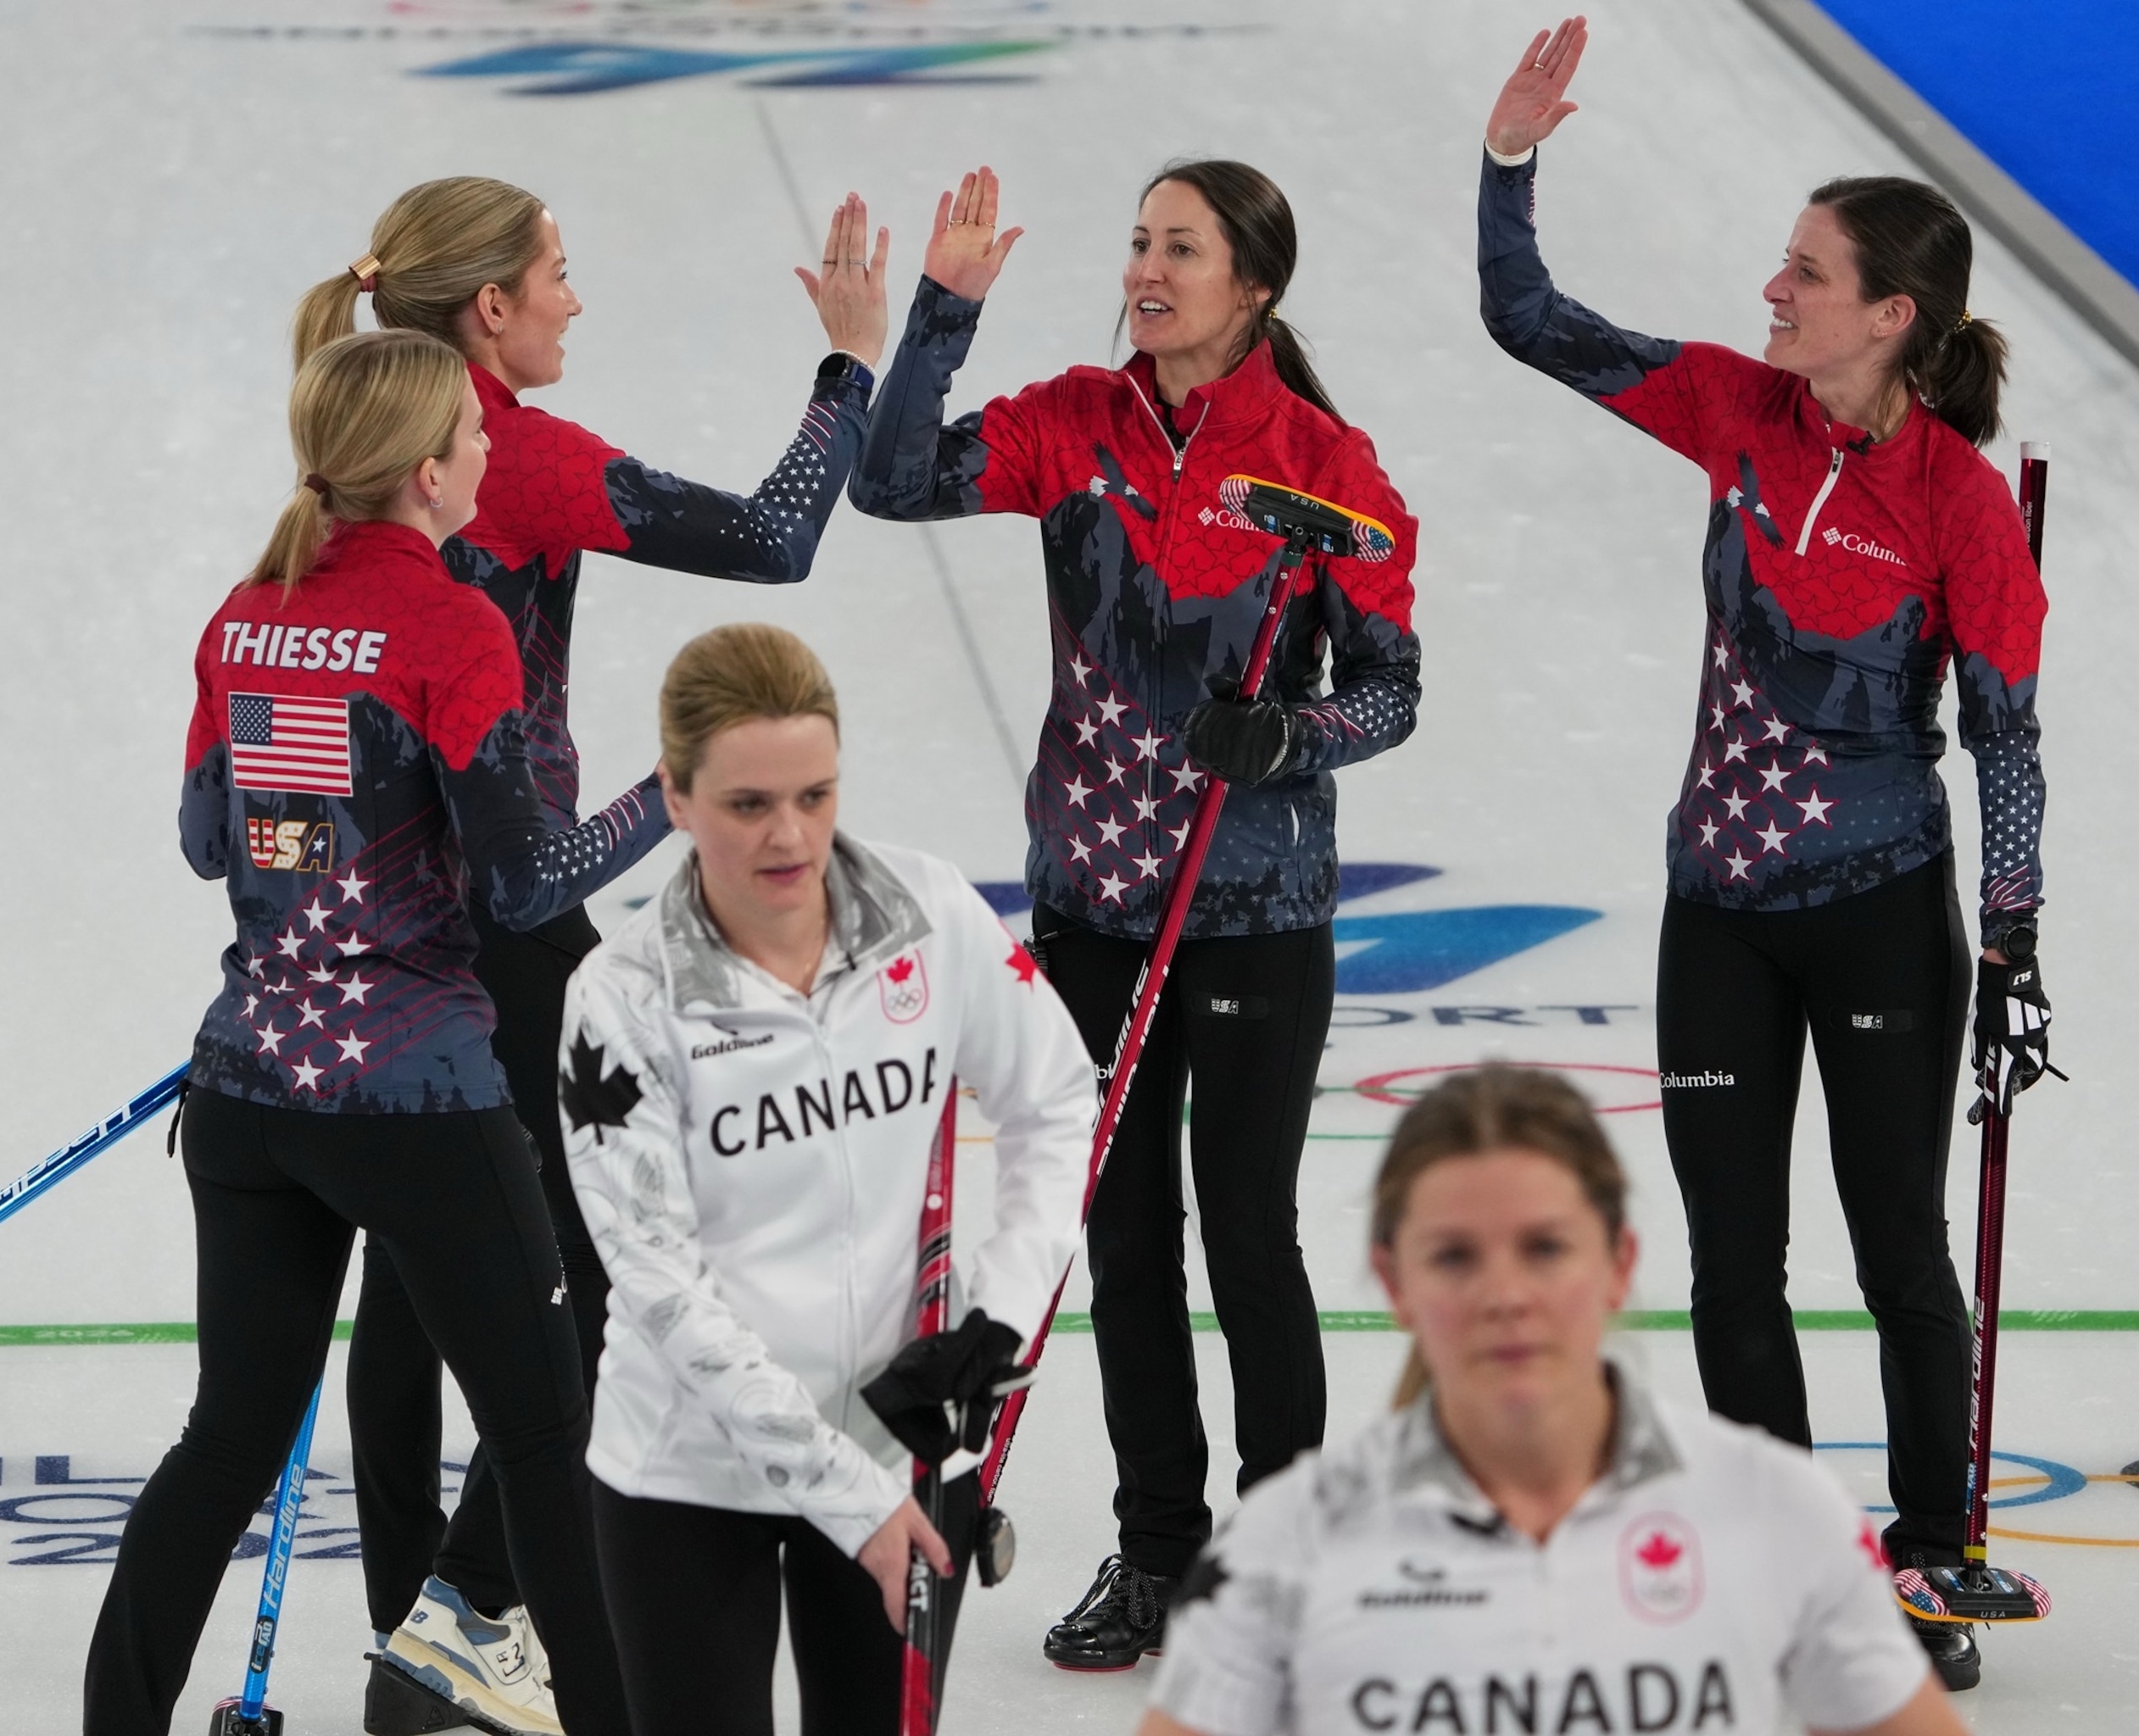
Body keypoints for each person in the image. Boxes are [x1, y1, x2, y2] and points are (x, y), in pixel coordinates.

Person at [1475, 17, 2054, 1692]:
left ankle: (1933, 1554)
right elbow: (1531, 322)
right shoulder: (1738, 411)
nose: (1769, 291)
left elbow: (2006, 734)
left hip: (1883, 917)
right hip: (1715, 910)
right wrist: (1512, 161)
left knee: (1894, 1251)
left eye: (1804, 273)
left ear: (1895, 315)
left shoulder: (1960, 501)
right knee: (1735, 1259)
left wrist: (2011, 933)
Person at [287, 177, 892, 1732]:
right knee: (623, 1258)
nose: (573, 300)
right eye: (557, 276)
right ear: (487, 311)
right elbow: (770, 540)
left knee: (418, 1284)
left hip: (382, 929)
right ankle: (465, 1614)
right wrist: (848, 366)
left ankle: (418, 1621)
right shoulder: (519, 456)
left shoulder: (360, 449)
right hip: (516, 926)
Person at [849, 161, 1423, 1670]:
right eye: (1138, 243)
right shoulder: (1073, 421)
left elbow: (1390, 688)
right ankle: (1160, 1549)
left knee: (1244, 1233)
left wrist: (1290, 738)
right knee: (1123, 1237)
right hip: (1097, 903)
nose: (1147, 269)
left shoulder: (1322, 460)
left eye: (1181, 248)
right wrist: (943, 313)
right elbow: (890, 475)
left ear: (1254, 286)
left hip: (1251, 908)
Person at [81, 329, 639, 1736]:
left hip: (254, 1090)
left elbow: (216, 839)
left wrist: (321, 858)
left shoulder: (244, 612)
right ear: (422, 467)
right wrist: (660, 807)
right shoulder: (457, 626)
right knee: (543, 1436)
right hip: (417, 1101)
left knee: (227, 1438)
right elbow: (518, 884)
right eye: (470, 430)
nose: (489, 450)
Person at [559, 622, 1098, 1735]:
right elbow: (661, 1289)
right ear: (674, 795)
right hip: (687, 1472)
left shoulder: (932, 916)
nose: (789, 835)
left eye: (815, 793)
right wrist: (854, 1500)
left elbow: (1056, 1100)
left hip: (897, 1441)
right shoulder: (619, 1000)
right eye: (748, 804)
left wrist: (998, 1320)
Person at [1139, 1064, 1969, 1736]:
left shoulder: (1776, 1509)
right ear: (1395, 1281)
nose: (1506, 1293)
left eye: (1545, 1247)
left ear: (1617, 1260)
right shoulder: (1283, 1546)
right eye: (1455, 1255)